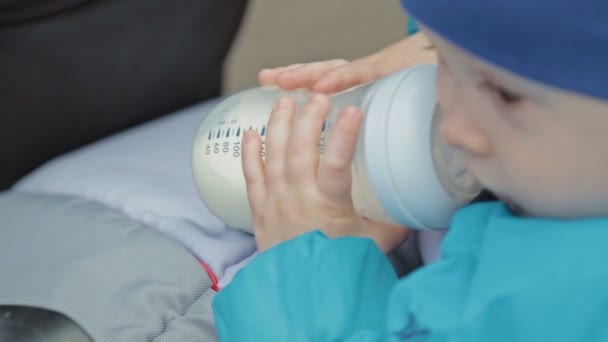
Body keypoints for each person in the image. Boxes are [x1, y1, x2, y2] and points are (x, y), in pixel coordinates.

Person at [211, 0, 608, 341]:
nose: (452, 127)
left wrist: (304, 273)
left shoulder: (560, 301)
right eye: (441, 61)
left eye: (506, 94)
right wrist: (439, 42)